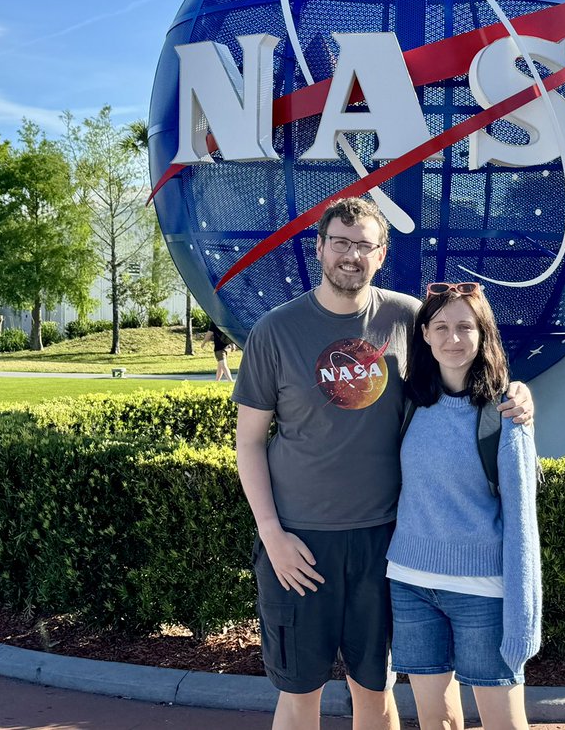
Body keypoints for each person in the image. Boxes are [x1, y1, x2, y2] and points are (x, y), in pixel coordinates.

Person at [232, 197, 533, 730]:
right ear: (319, 247)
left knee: (374, 692)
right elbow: (250, 441)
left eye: (364, 245)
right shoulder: (275, 331)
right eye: (340, 243)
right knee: (299, 695)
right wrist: (271, 533)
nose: (351, 255)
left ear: (381, 253)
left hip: (384, 543)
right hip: (299, 542)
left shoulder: (406, 318)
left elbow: (459, 372)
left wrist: (517, 394)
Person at [388, 281, 541, 730]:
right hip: (410, 582)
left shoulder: (506, 413)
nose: (453, 338)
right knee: (436, 722)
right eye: (441, 327)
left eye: (464, 327)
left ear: (483, 334)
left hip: (482, 591)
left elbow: (522, 523)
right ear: (425, 336)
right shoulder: (406, 402)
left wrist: (522, 613)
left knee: (505, 724)